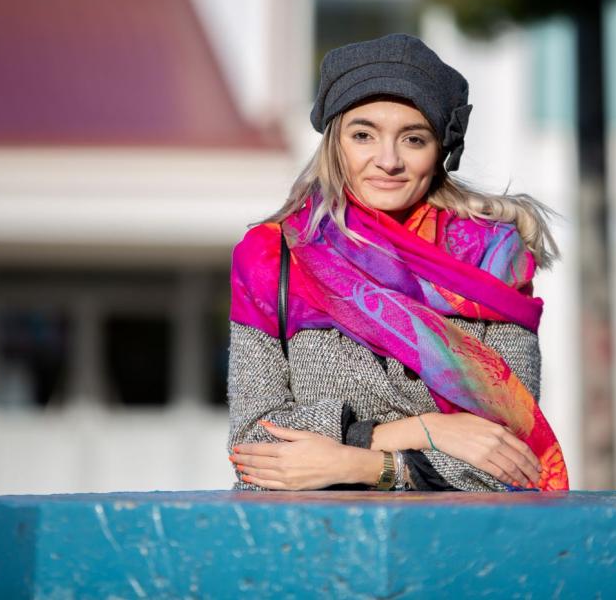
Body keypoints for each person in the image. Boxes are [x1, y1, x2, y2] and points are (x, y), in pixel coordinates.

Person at [226, 33, 569, 492]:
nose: (387, 161)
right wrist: (430, 430)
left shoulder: (495, 259)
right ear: (335, 142)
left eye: (413, 139)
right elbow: (254, 446)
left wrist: (364, 465)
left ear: (440, 151)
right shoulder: (272, 257)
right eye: (363, 135)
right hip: (312, 544)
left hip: (453, 547)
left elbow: (511, 454)